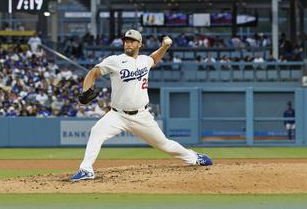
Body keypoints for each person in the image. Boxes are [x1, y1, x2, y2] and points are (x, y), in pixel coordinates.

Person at [69, 30, 212, 181]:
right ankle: (86, 170)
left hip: (142, 116)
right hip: (117, 115)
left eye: (132, 41)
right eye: (126, 41)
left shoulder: (144, 60)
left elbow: (154, 59)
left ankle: (193, 157)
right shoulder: (115, 60)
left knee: (164, 144)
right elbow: (93, 72)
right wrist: (86, 89)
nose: (128, 43)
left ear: (140, 44)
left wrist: (164, 47)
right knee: (97, 131)